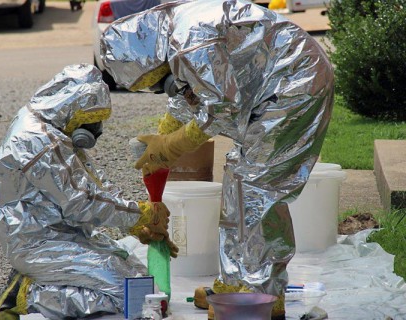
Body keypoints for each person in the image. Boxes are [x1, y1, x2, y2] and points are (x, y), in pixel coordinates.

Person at [100, 0, 334, 319]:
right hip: (268, 92)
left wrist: (175, 143)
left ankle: (262, 292)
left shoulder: (190, 41)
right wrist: (164, 134)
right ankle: (235, 281)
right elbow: (192, 96)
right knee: (237, 184)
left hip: (294, 89)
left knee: (257, 190)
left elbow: (222, 105)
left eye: (156, 82)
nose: (161, 87)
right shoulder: (169, 40)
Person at [0, 63, 178, 320]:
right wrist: (140, 214)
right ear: (73, 107)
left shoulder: (53, 128)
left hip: (64, 233)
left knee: (140, 279)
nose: (96, 129)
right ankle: (27, 294)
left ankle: (42, 285)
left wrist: (136, 226)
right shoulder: (36, 140)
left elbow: (92, 183)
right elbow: (82, 201)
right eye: (93, 120)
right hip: (39, 244)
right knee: (133, 298)